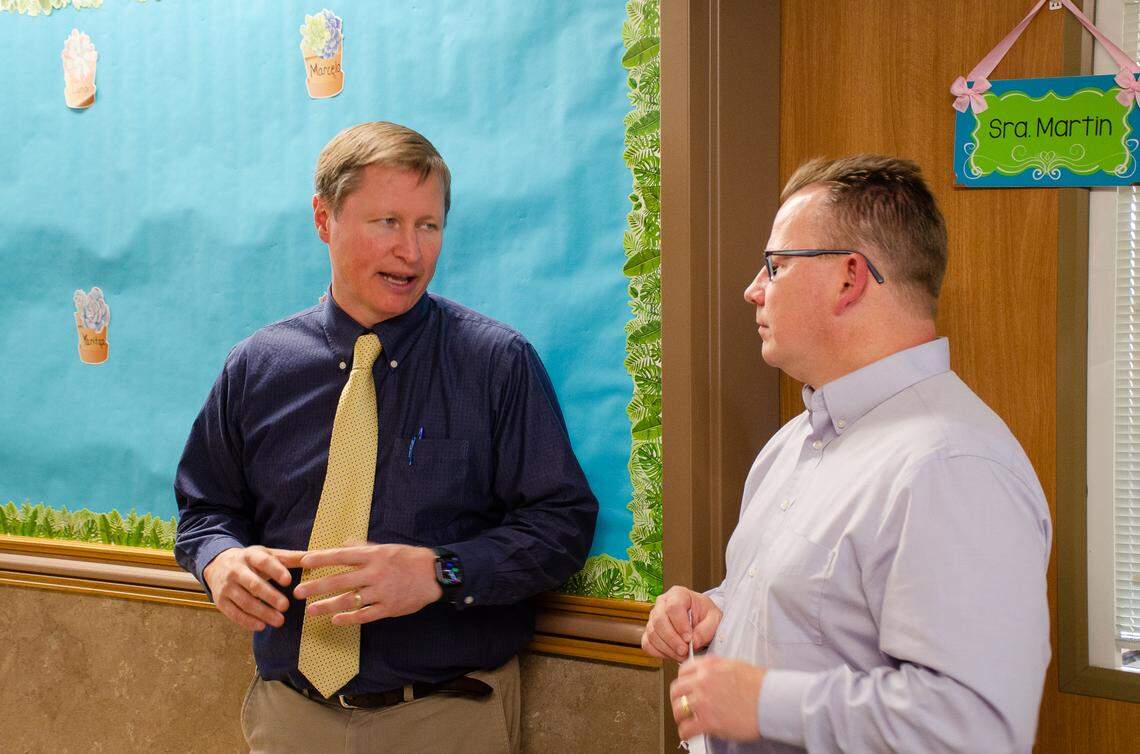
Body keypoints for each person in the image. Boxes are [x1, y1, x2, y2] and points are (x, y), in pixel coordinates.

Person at [174, 121, 598, 753]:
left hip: (447, 717)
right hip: (290, 718)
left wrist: (439, 572)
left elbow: (561, 525)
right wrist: (220, 562)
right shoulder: (257, 366)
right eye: (387, 223)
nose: (412, 252)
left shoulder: (497, 363)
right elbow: (204, 510)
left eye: (428, 226)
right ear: (324, 218)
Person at [643, 155, 1051, 753]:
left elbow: (974, 730)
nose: (752, 290)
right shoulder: (793, 444)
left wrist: (764, 703)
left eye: (775, 267)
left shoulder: (952, 466)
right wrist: (713, 612)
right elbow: (817, 618)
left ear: (849, 278)